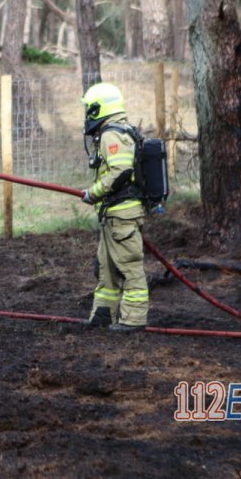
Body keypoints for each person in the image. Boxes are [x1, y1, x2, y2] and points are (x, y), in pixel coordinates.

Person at [79, 82, 149, 333]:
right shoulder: (116, 132)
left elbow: (121, 171)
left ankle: (134, 319)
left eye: (90, 109)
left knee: (129, 267)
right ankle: (103, 314)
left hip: (122, 214)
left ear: (100, 108)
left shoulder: (112, 135)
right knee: (106, 267)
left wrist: (93, 193)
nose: (87, 115)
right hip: (114, 214)